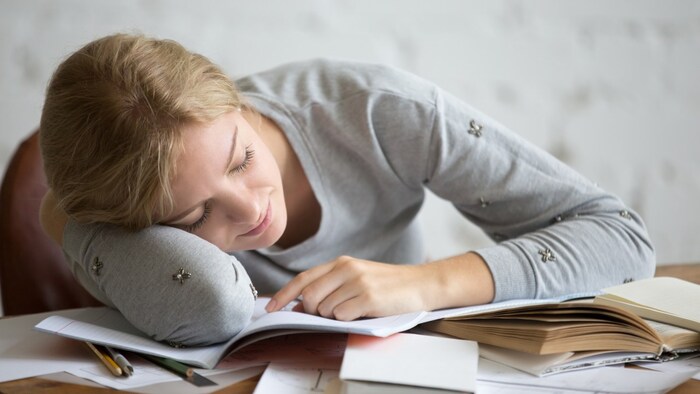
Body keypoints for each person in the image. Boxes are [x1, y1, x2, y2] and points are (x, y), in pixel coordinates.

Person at [39, 33, 655, 346]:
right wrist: (66, 222)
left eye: (242, 158)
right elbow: (209, 307)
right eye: (197, 216)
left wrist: (422, 283)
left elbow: (622, 239)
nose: (252, 209)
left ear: (233, 99)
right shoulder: (120, 202)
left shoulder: (380, 113)